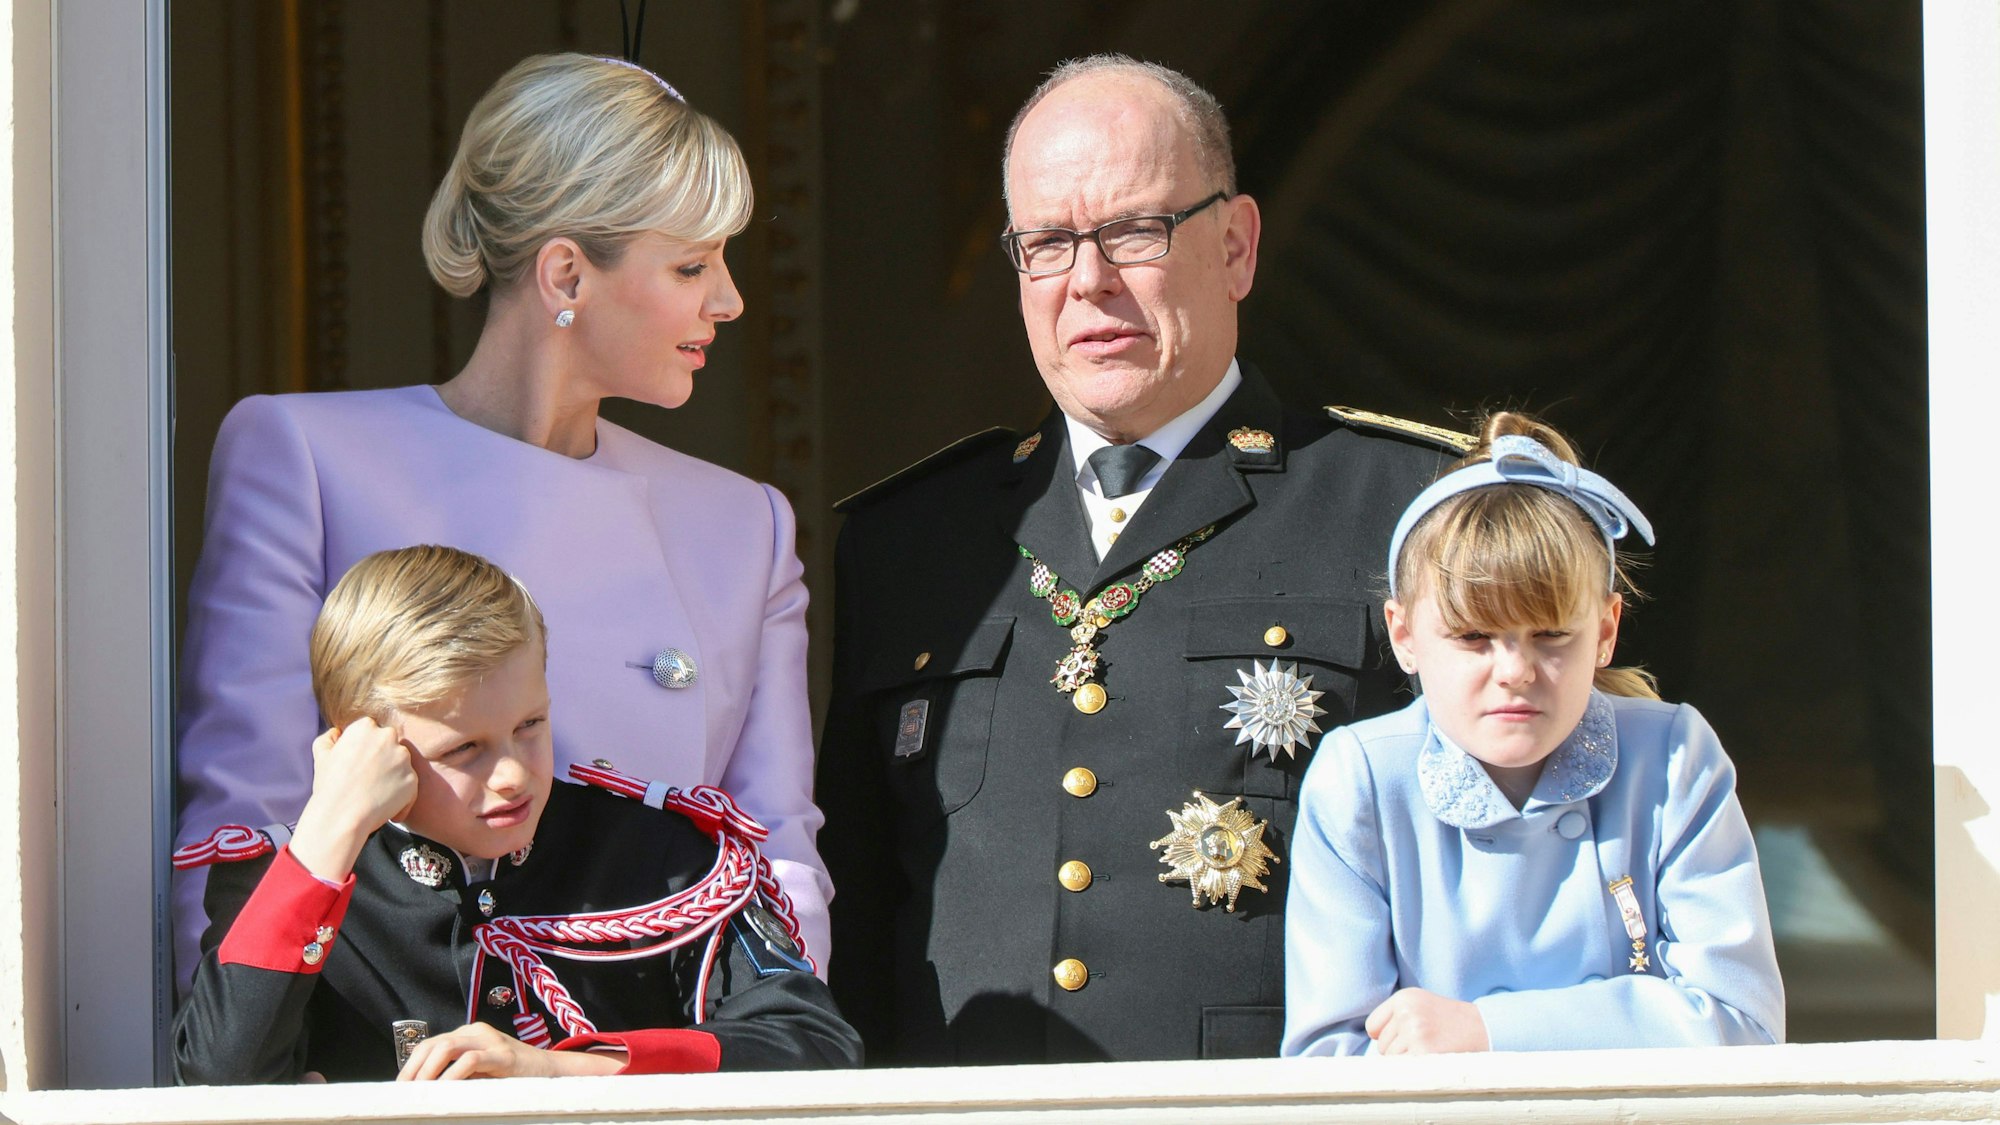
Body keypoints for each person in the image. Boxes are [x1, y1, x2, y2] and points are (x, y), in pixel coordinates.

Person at [815, 54, 1465, 1064]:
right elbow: (853, 907)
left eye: (1133, 230)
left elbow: (1491, 875)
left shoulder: (1402, 513)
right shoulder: (909, 541)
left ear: (1236, 245)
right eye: (1046, 243)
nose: (1088, 280)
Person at [173, 53, 829, 993]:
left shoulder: (746, 525)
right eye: (692, 265)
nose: (728, 301)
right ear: (566, 271)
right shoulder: (306, 456)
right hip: (386, 1064)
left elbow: (781, 859)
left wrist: (758, 1071)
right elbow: (238, 833)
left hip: (645, 1070)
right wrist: (242, 1076)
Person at [173, 546, 862, 1083]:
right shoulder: (291, 884)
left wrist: (563, 1070)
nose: (512, 773)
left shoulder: (662, 854)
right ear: (362, 743)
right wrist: (330, 830)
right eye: (464, 747)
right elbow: (221, 1079)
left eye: (530, 723)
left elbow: (816, 1048)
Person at [1280, 413, 1784, 1056]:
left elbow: (1745, 1024)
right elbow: (1329, 1059)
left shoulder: (1673, 756)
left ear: (1605, 630)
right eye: (1472, 637)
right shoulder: (1364, 776)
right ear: (1403, 635)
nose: (1515, 672)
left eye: (1551, 636)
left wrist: (1486, 1032)